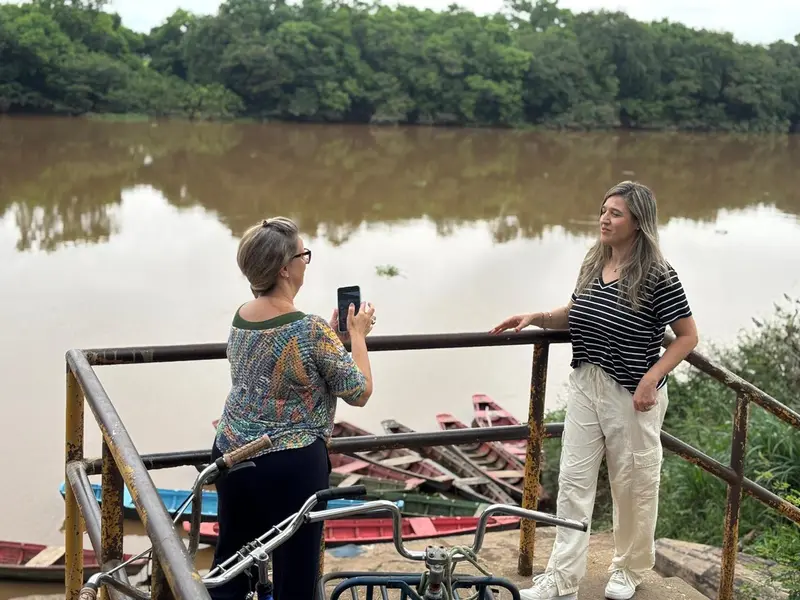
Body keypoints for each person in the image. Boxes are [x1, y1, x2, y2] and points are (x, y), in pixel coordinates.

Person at [490, 181, 698, 600]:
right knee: (573, 481)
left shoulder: (659, 273)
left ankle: (629, 568)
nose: (604, 218)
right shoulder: (593, 261)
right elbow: (578, 311)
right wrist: (537, 316)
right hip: (587, 381)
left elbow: (687, 337)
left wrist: (648, 380)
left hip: (632, 393)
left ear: (638, 222)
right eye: (603, 210)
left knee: (633, 485)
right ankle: (561, 578)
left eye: (615, 213)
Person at [209, 216, 376, 600]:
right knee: (295, 574)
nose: (306, 261)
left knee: (232, 565)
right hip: (288, 466)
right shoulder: (309, 329)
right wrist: (356, 336)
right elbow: (359, 391)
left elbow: (285, 366)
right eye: (304, 254)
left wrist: (333, 342)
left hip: (232, 455)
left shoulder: (242, 315)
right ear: (285, 268)